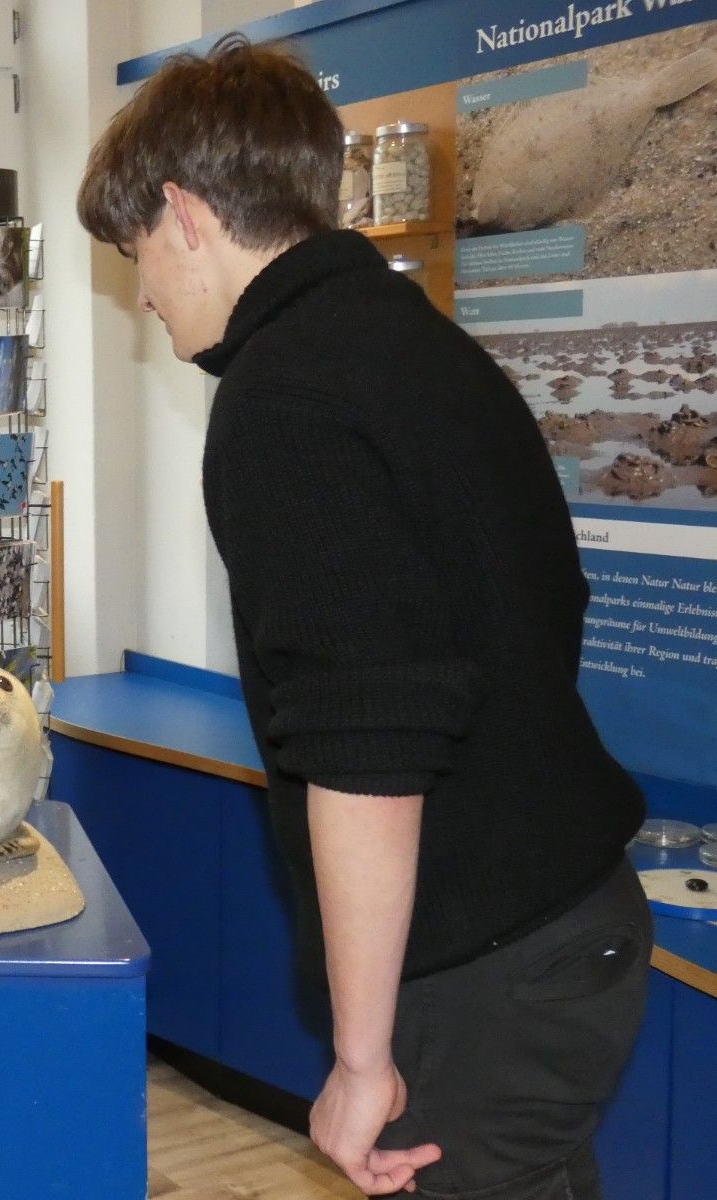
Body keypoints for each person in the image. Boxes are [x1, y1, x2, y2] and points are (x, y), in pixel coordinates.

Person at [77, 36, 649, 1199]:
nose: (141, 289)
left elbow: (366, 747)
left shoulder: (284, 398)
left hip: (483, 972)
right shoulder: (416, 345)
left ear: (185, 216)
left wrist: (359, 1056)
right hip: (568, 920)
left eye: (136, 251)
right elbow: (545, 605)